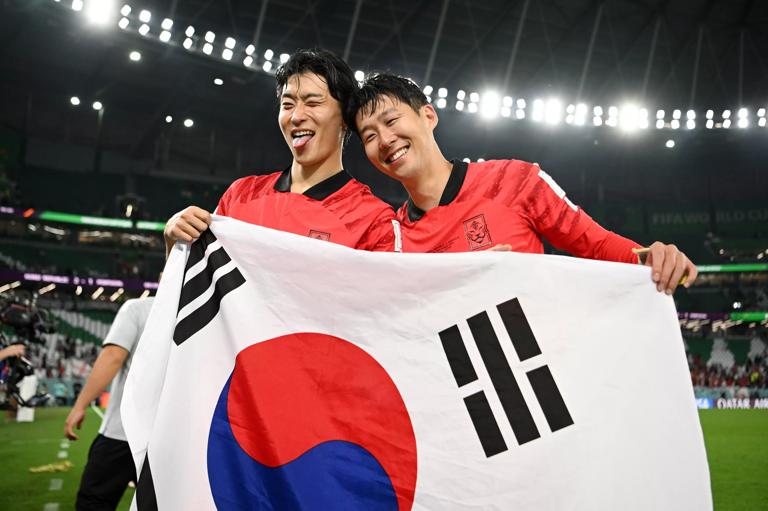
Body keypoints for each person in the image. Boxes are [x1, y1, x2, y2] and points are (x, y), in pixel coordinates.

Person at [349, 73, 697, 293]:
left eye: (392, 120)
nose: (385, 139)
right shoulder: (391, 238)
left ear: (428, 115)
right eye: (369, 136)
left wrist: (653, 259)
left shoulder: (515, 181)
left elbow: (595, 245)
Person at [164, 49, 397, 255]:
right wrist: (174, 245)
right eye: (288, 105)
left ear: (345, 118)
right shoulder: (240, 197)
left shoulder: (373, 221)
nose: (296, 116)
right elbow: (194, 296)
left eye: (313, 103)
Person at [64, 295, 154, 510]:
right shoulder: (208, 315)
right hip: (171, 439)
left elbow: (113, 355)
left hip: (123, 433)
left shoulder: (138, 308)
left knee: (94, 503)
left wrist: (80, 405)